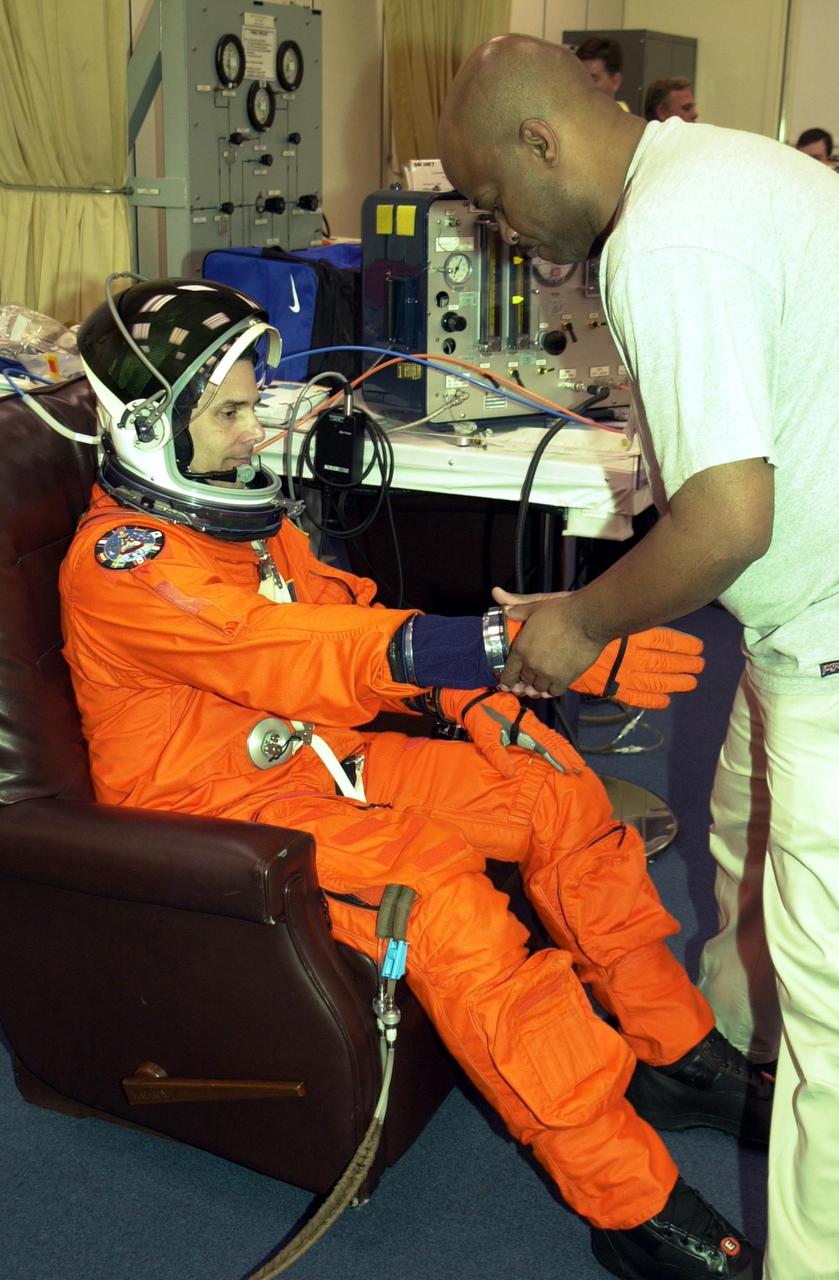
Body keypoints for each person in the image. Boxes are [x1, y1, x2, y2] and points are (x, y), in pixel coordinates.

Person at [60, 277, 772, 1280]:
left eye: (253, 402)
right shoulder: (125, 566)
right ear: (146, 425)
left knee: (545, 779)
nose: (253, 433)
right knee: (439, 897)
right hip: (216, 819)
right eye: (225, 413)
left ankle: (671, 1045)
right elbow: (290, 648)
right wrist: (502, 643)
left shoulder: (243, 523)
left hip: (317, 760)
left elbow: (339, 612)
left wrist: (476, 700)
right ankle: (627, 1199)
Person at [438, 33, 839, 1280]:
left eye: (496, 201)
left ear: (541, 141)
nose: (499, 233)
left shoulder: (662, 241)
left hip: (827, 639)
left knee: (831, 1017)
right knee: (733, 837)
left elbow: (727, 517)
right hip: (796, 627)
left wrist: (581, 621)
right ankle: (712, 1067)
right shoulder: (723, 169)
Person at [574, 35, 627, 106]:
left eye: (592, 80)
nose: (583, 88)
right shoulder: (572, 114)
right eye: (580, 80)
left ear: (615, 81)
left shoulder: (625, 117)